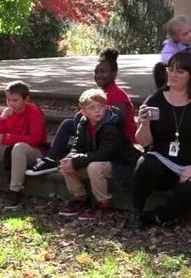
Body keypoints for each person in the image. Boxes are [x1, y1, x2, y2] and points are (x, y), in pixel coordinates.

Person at [128, 51, 191, 230]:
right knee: (146, 163)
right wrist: (144, 124)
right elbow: (143, 142)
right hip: (163, 162)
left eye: (180, 71)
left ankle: (155, 217)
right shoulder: (155, 100)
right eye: (170, 69)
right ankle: (136, 211)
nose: (173, 75)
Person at [26, 48, 135, 176]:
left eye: (103, 72)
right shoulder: (100, 94)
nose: (98, 75)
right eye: (96, 71)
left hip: (115, 141)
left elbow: (118, 125)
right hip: (98, 133)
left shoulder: (118, 95)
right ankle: (52, 159)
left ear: (114, 74)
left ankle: (50, 159)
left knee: (69, 125)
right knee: (72, 124)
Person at [57, 89, 140, 220]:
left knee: (94, 167)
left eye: (101, 107)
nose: (97, 111)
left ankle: (104, 204)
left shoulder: (111, 125)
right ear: (83, 112)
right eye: (92, 108)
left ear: (106, 107)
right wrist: (70, 158)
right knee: (66, 165)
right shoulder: (83, 123)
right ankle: (80, 198)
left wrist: (76, 161)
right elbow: (77, 147)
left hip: (119, 164)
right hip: (98, 160)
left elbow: (104, 153)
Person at [0, 80, 47, 210]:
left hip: (34, 152)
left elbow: (36, 139)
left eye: (15, 100)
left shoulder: (34, 112)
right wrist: (2, 119)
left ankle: (15, 191)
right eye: (8, 100)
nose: (11, 103)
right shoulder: (8, 112)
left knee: (19, 148)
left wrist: (7, 138)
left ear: (26, 99)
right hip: (11, 150)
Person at [156, 15, 191, 93]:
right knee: (159, 67)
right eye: (185, 34)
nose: (190, 35)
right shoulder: (171, 44)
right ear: (175, 38)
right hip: (182, 72)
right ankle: (164, 95)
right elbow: (166, 59)